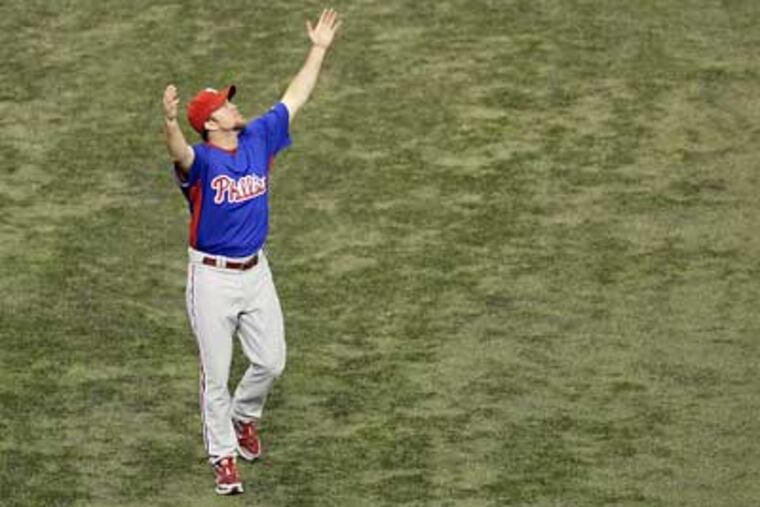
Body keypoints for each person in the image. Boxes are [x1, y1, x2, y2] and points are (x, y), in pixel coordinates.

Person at [161, 8, 342, 495]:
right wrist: (170, 122)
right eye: (224, 105)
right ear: (211, 123)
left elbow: (295, 97)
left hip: (256, 271)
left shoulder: (258, 137)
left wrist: (318, 49)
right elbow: (179, 153)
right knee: (215, 375)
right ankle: (223, 458)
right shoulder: (200, 162)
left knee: (272, 361)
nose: (233, 106)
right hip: (212, 280)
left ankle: (245, 418)